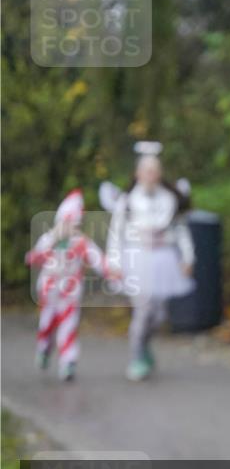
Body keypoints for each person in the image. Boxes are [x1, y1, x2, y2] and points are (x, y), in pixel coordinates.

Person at [104, 141, 195, 381]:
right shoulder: (127, 202)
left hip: (163, 259)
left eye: (155, 171)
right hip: (137, 259)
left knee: (159, 314)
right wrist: (113, 263)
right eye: (147, 171)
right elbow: (116, 232)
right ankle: (136, 357)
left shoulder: (170, 199)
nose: (151, 175)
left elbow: (181, 230)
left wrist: (187, 257)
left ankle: (144, 345)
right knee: (143, 310)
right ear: (138, 174)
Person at [26, 189, 117, 381]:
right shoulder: (49, 239)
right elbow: (35, 257)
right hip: (49, 291)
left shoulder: (81, 243)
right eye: (66, 223)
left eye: (74, 224)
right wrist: (42, 251)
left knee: (68, 327)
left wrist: (112, 273)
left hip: (70, 293)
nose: (70, 228)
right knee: (46, 324)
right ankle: (44, 348)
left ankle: (68, 363)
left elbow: (98, 261)